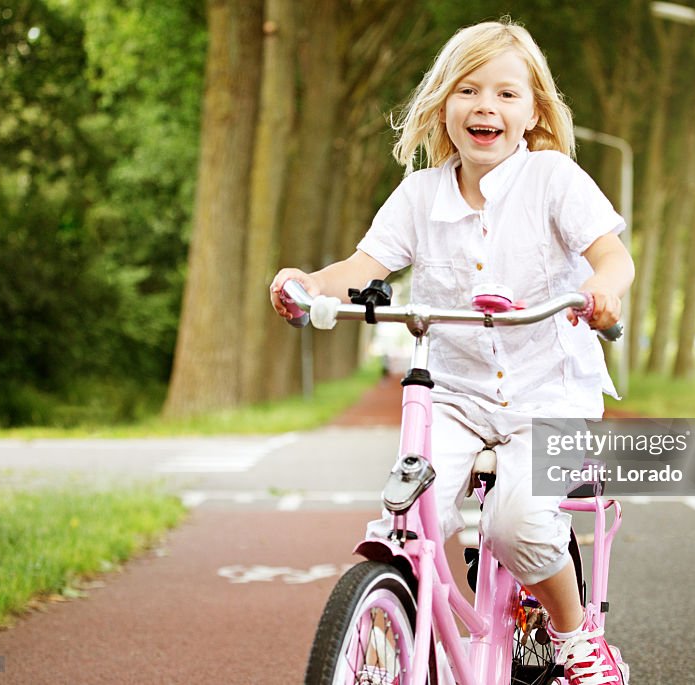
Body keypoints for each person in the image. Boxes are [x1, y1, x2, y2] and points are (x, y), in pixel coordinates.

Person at [271, 18, 634, 685]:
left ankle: (577, 638)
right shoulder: (419, 195)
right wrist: (310, 284)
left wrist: (602, 287)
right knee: (407, 512)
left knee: (518, 520)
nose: (485, 107)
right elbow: (364, 265)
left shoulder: (553, 179)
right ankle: (414, 635)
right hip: (458, 397)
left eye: (505, 94)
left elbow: (611, 255)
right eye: (468, 91)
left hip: (547, 393)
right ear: (444, 105)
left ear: (533, 113)